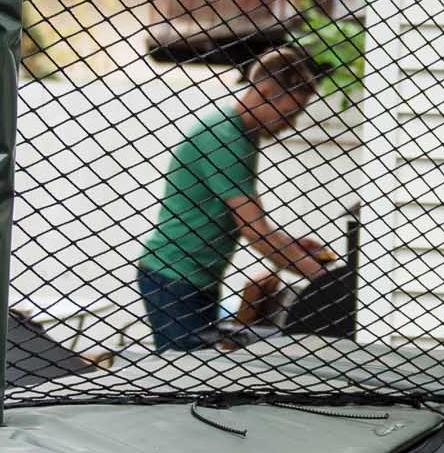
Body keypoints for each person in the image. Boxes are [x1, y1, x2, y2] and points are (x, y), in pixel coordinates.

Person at [135, 48, 335, 350]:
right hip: (173, 277)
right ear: (265, 92)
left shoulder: (243, 135)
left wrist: (293, 247)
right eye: (289, 113)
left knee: (197, 374)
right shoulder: (225, 136)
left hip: (196, 280)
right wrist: (326, 283)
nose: (291, 124)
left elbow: (247, 223)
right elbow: (255, 231)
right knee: (185, 377)